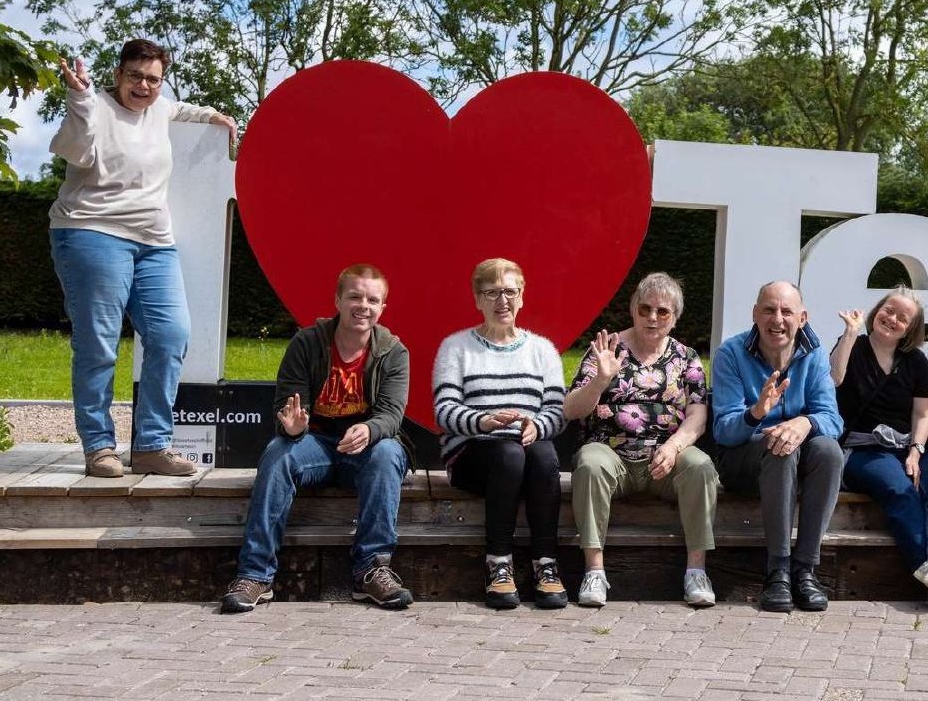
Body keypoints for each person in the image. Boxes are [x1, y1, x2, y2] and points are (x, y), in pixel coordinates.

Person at [49, 39, 237, 478]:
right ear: (118, 74)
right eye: (135, 76)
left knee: (172, 335)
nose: (144, 86)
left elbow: (180, 109)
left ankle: (152, 445)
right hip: (92, 232)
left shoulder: (161, 108)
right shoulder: (94, 107)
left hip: (154, 241)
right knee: (99, 343)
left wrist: (215, 117)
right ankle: (99, 447)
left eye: (153, 79)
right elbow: (76, 151)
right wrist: (78, 98)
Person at [221, 264, 413, 613]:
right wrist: (291, 427)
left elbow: (391, 415)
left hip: (365, 449)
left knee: (387, 453)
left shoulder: (394, 353)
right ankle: (255, 575)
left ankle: (372, 570)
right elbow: (286, 405)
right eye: (355, 296)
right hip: (316, 444)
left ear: (383, 307)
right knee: (278, 453)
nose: (363, 306)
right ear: (338, 300)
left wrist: (369, 429)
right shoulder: (307, 343)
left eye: (373, 299)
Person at [565, 273, 717, 608]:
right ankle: (594, 570)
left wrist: (674, 446)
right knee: (590, 463)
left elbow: (698, 415)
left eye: (662, 311)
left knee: (701, 466)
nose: (652, 317)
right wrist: (600, 381)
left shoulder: (686, 357)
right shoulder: (606, 350)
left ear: (674, 318)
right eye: (645, 308)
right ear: (633, 310)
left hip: (666, 458)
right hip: (611, 453)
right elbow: (571, 409)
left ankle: (696, 571)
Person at [433, 258, 567, 610]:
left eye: (510, 291)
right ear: (477, 300)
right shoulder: (456, 348)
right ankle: (498, 564)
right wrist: (483, 422)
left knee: (544, 453)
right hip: (473, 455)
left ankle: (546, 565)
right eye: (491, 292)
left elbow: (556, 411)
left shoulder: (543, 350)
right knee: (509, 454)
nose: (502, 301)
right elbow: (444, 410)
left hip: (527, 454)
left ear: (522, 297)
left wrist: (536, 426)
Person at [830, 287, 928, 605]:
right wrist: (850, 333)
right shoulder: (853, 345)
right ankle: (926, 566)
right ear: (876, 311)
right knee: (900, 488)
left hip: (906, 447)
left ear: (910, 328)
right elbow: (835, 379)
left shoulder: (915, 362)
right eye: (888, 310)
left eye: (902, 317)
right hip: (862, 450)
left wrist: (916, 451)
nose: (892, 319)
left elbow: (922, 415)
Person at [712, 281, 843, 612]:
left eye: (787, 311)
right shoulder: (730, 353)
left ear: (802, 318)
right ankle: (778, 570)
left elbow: (833, 419)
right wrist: (756, 412)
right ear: (755, 314)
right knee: (779, 448)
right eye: (769, 310)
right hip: (743, 462)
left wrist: (805, 423)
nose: (777, 319)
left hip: (797, 461)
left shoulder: (814, 356)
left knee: (828, 451)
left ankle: (805, 571)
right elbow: (724, 432)